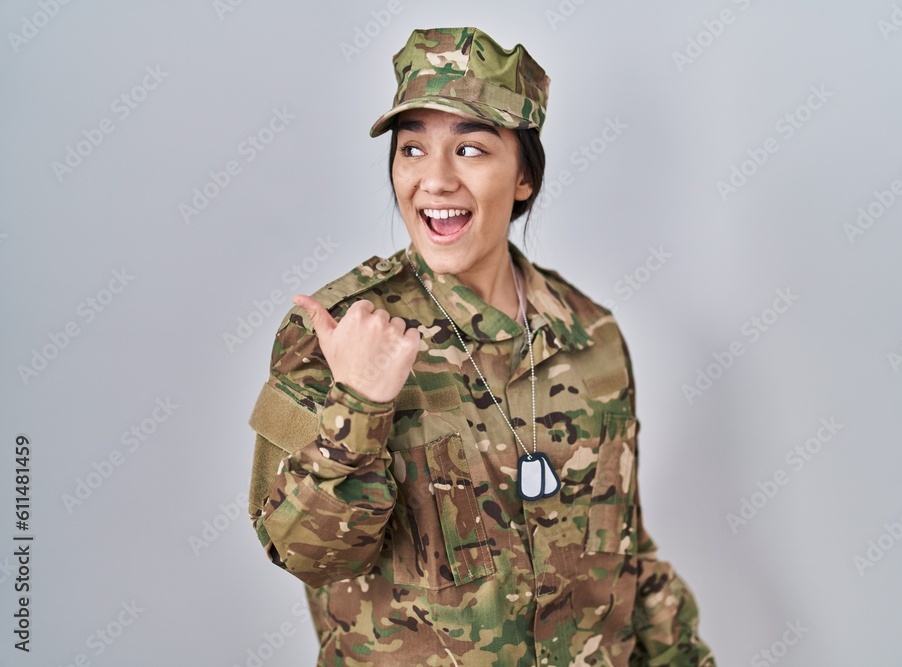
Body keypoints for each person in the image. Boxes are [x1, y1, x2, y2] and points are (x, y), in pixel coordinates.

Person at [246, 26, 716, 666]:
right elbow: (305, 551)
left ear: (524, 178)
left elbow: (626, 556)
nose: (434, 180)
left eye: (470, 149)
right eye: (412, 150)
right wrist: (360, 403)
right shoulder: (339, 331)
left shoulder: (591, 334)